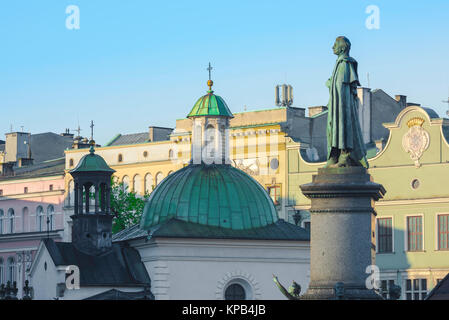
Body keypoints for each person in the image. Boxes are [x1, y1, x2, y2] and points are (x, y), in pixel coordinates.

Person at [325, 36, 368, 168]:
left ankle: (344, 155)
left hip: (342, 107)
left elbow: (343, 88)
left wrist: (340, 108)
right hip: (335, 107)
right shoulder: (339, 64)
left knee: (342, 127)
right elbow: (336, 85)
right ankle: (334, 155)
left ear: (342, 47)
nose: (332, 47)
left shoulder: (345, 64)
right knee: (332, 128)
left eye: (335, 44)